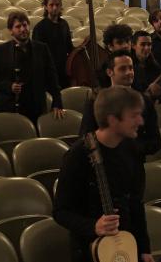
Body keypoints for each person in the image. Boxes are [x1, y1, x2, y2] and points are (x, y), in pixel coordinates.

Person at [54, 85, 154, 262]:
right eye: (134, 116)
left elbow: (136, 203)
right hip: (89, 250)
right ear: (113, 120)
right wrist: (93, 226)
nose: (141, 121)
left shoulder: (132, 149)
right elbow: (61, 212)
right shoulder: (77, 155)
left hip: (127, 247)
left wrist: (144, 249)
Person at [80, 49, 161, 167]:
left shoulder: (145, 101)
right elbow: (86, 136)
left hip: (134, 166)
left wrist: (132, 148)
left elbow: (156, 142)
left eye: (131, 68)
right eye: (123, 69)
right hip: (105, 164)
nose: (129, 72)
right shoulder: (96, 100)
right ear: (109, 72)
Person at [0, 11, 64, 124]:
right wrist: (9, 86)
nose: (23, 29)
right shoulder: (0, 50)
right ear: (11, 31)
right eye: (18, 26)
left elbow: (52, 77)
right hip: (8, 106)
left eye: (25, 25)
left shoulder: (42, 49)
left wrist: (57, 102)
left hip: (35, 107)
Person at [32, 0, 74, 89]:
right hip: (47, 72)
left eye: (57, 5)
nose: (54, 8)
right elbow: (37, 54)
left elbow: (69, 47)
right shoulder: (39, 27)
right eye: (51, 5)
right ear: (46, 7)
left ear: (60, 7)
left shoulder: (64, 24)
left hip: (63, 70)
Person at [130, 30, 161, 98]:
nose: (147, 48)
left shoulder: (155, 67)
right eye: (143, 44)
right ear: (133, 46)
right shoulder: (128, 66)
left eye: (149, 44)